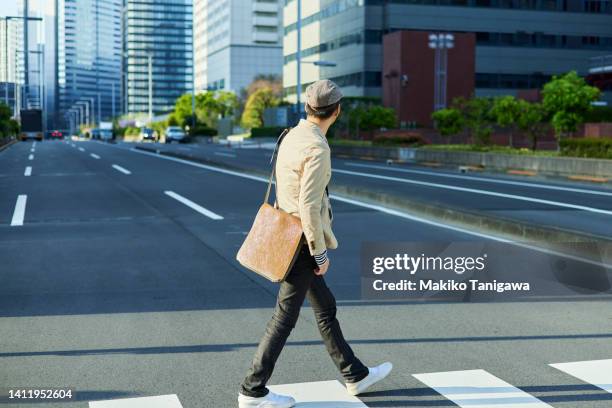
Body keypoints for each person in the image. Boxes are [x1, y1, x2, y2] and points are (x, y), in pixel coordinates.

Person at [238, 80, 392, 408]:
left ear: (308, 108)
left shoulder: (291, 135)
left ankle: (355, 375)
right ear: (336, 111)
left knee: (325, 307)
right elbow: (309, 205)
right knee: (285, 317)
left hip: (288, 232)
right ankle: (252, 389)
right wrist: (319, 252)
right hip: (302, 243)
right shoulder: (318, 147)